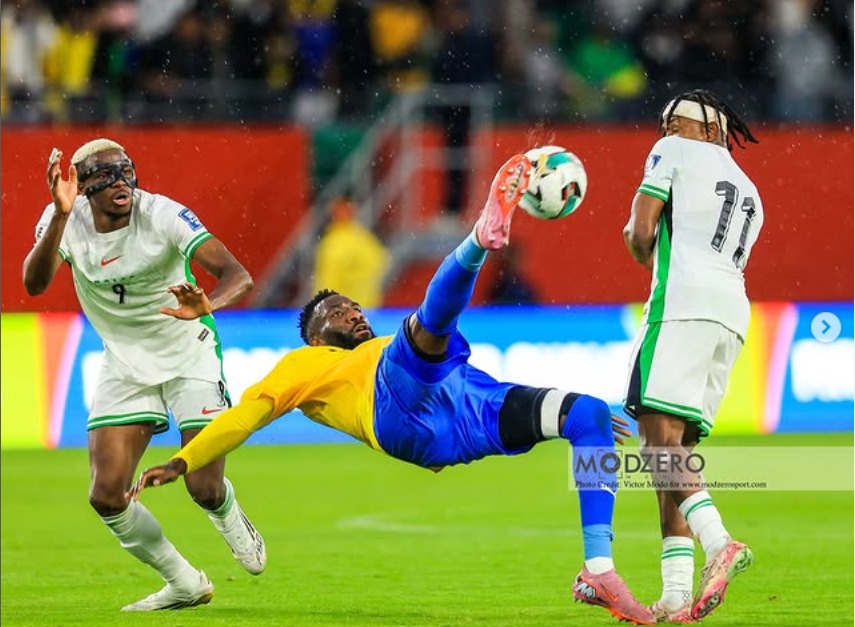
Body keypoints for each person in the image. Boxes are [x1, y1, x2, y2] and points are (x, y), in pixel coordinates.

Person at [129, 154, 657, 626]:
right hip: (395, 410)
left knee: (587, 414)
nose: (353, 312)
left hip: (465, 405)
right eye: (337, 311)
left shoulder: (378, 344)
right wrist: (184, 460)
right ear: (316, 334)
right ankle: (479, 239)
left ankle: (597, 569)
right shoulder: (308, 363)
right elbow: (246, 416)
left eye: (354, 306)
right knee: (425, 331)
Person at [23, 138, 267, 612]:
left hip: (188, 349)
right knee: (106, 495)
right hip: (124, 361)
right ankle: (184, 582)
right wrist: (59, 216)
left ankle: (227, 512)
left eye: (127, 170)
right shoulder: (64, 219)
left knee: (203, 487)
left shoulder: (163, 214)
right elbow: (34, 284)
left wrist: (208, 304)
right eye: (106, 175)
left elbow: (238, 275)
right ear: (83, 186)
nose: (122, 182)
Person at [621, 89, 764, 623]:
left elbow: (641, 233)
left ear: (708, 130)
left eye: (675, 123)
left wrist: (639, 247)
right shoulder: (750, 188)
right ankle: (676, 594)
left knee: (656, 444)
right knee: (675, 455)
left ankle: (719, 541)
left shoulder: (672, 151)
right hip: (732, 316)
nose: (666, 130)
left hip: (680, 306)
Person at [312, 194, 390, 309]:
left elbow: (328, 276)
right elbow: (381, 262)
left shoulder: (338, 240)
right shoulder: (356, 238)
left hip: (349, 306)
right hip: (358, 305)